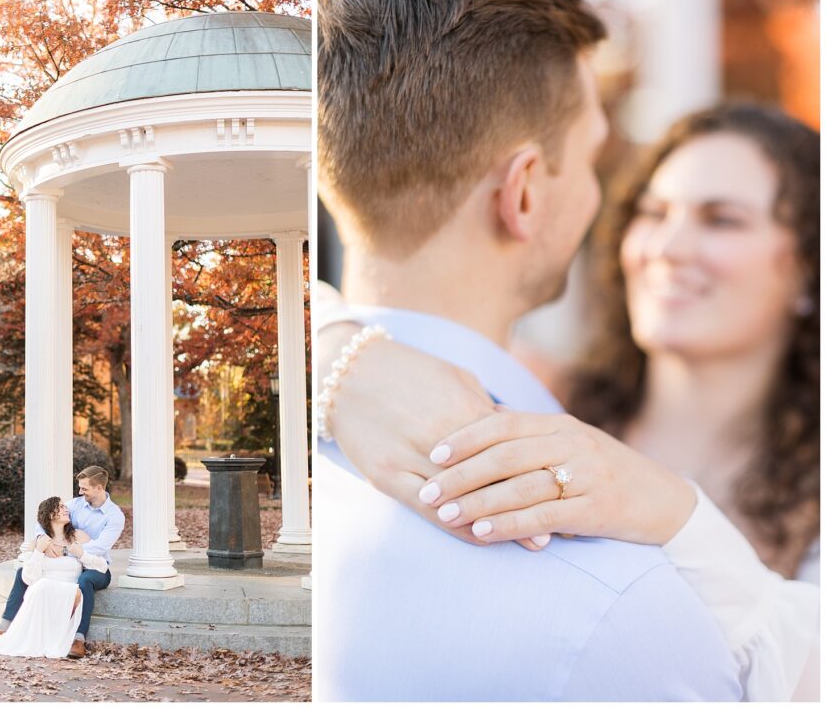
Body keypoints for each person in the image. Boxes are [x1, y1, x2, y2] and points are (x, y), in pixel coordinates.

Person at [315, 0, 742, 701]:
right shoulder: (624, 602)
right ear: (522, 194)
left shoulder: (319, 416)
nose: (598, 197)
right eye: (590, 161)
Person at [318, 104, 820, 699]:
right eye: (651, 213)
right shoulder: (533, 388)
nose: (667, 247)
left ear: (809, 272)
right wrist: (342, 356)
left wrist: (677, 514)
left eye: (722, 221)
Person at [0, 466, 125, 658]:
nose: (80, 492)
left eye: (84, 488)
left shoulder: (114, 515)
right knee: (23, 573)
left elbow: (100, 548)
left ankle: (78, 639)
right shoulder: (75, 505)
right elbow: (45, 518)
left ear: (99, 488)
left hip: (96, 565)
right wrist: (41, 541)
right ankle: (4, 626)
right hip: (69, 557)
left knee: (85, 581)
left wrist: (64, 549)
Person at [0, 496, 106, 658]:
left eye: (64, 506)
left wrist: (81, 554)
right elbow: (28, 578)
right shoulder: (39, 542)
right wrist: (39, 551)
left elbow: (102, 566)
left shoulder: (79, 536)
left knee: (56, 589)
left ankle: (74, 639)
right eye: (60, 507)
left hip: (69, 590)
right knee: (40, 585)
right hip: (44, 589)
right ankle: (8, 629)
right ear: (50, 515)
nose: (66, 509)